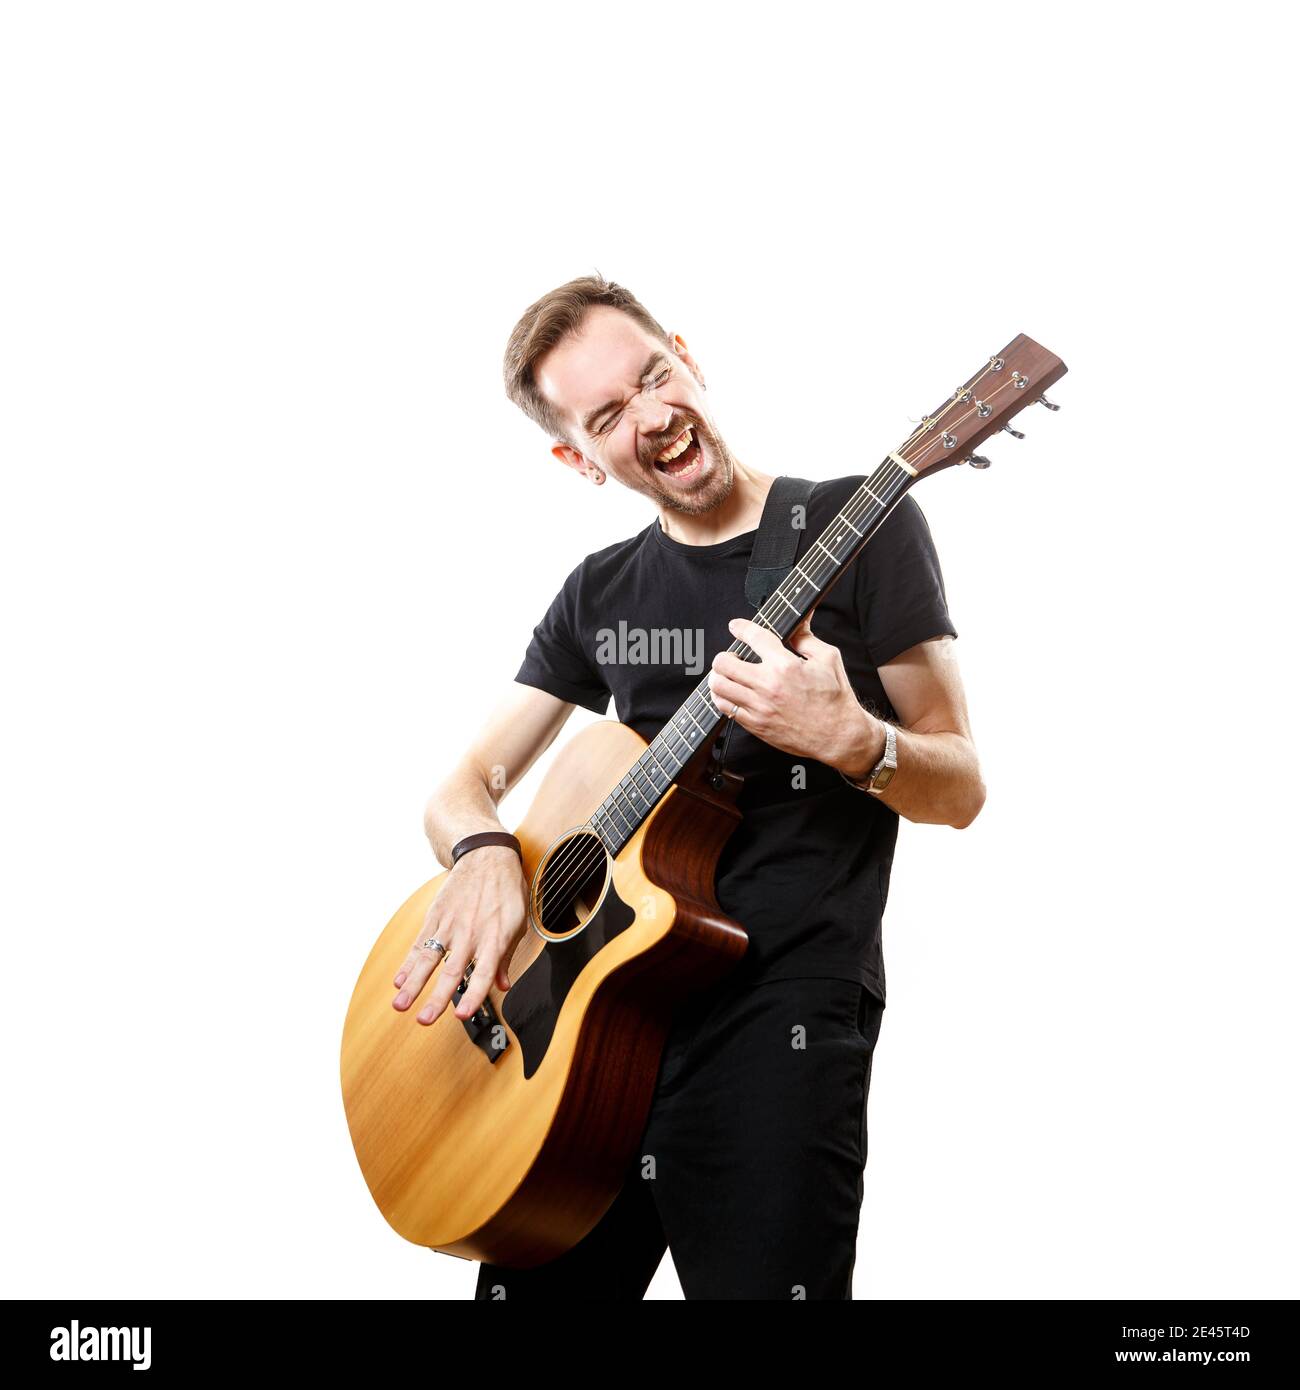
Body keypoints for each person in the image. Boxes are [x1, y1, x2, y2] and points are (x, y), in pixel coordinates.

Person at [390, 274, 987, 1299]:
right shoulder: (599, 592)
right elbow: (460, 787)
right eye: (609, 415)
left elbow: (959, 783)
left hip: (778, 1025)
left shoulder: (859, 525)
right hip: (578, 1041)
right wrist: (484, 852)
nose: (654, 417)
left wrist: (852, 741)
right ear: (577, 457)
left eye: (653, 375)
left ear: (686, 353)